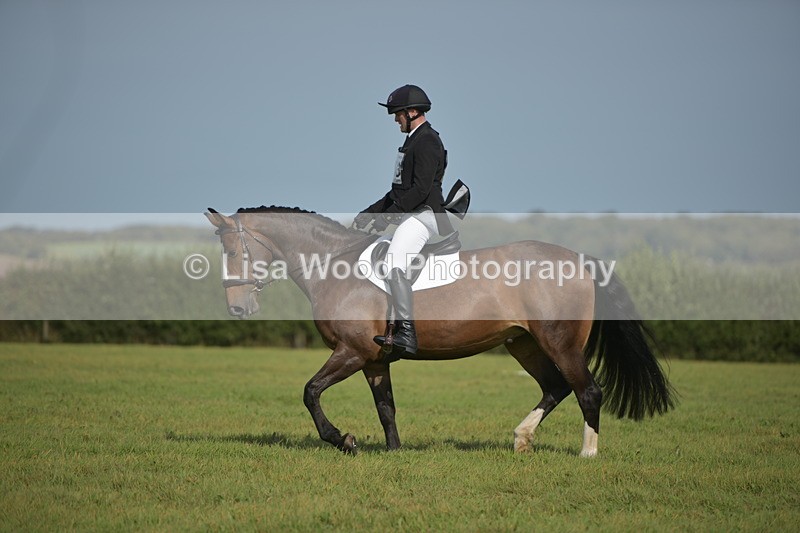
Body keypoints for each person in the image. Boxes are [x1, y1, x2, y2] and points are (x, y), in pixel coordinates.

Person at [353, 84, 455, 360]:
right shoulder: (413, 140)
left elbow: (420, 191)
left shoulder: (428, 141)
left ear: (412, 112)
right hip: (413, 213)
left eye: (398, 114)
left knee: (394, 261)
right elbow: (398, 191)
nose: (395, 119)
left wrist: (388, 216)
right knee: (379, 250)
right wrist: (372, 213)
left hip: (426, 215)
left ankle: (407, 332)